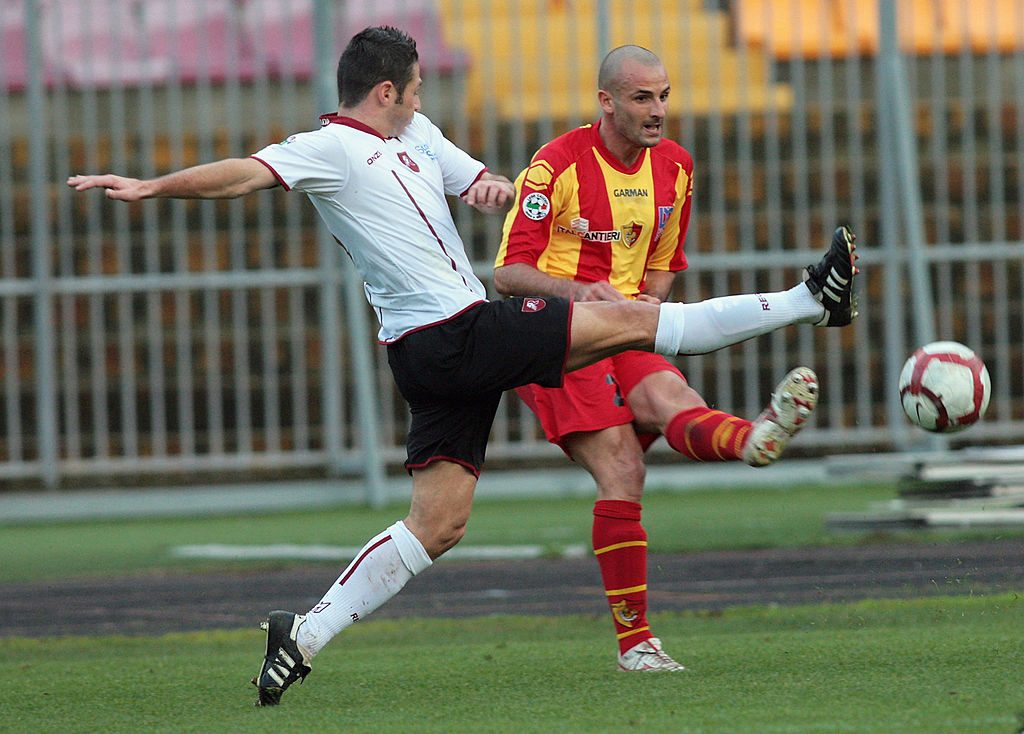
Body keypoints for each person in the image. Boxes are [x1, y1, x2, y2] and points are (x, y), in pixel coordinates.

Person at [67, 26, 858, 705]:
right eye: (413, 89)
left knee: (437, 524)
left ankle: (302, 635)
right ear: (384, 91)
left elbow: (477, 182)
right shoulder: (329, 148)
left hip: (434, 354)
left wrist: (499, 190)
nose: (421, 99)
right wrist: (149, 188)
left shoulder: (415, 135)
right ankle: (809, 301)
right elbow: (242, 173)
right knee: (634, 321)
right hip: (452, 333)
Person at [493, 44, 859, 672]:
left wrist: (646, 307)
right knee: (622, 469)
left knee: (674, 400)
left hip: (628, 327)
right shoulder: (556, 166)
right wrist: (579, 291)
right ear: (607, 101)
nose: (657, 110)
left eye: (663, 96)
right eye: (642, 98)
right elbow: (508, 274)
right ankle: (636, 645)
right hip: (552, 336)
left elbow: (663, 266)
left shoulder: (677, 168)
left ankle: (752, 440)